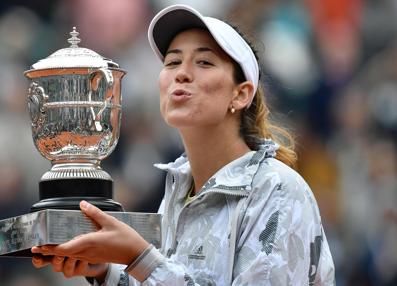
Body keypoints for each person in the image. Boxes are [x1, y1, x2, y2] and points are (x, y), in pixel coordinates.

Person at [31, 4, 336, 285]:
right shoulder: (178, 191)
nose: (182, 74)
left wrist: (140, 258)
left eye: (204, 62)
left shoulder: (278, 188)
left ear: (241, 94)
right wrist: (106, 270)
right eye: (173, 61)